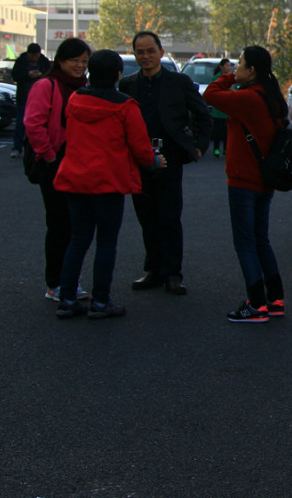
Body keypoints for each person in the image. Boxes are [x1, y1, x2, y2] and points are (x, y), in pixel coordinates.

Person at [52, 50, 162, 319]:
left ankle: (66, 298)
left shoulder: (76, 99)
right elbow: (141, 147)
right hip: (108, 181)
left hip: (75, 177)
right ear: (118, 75)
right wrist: (155, 162)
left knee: (78, 239)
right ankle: (101, 301)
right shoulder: (126, 106)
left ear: (90, 72)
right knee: (106, 241)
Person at [119, 31, 212, 296]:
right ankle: (153, 269)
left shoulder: (179, 81)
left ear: (161, 52)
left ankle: (173, 273)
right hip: (140, 158)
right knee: (146, 216)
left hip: (170, 156)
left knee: (169, 216)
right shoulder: (128, 85)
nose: (145, 56)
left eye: (150, 51)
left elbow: (202, 114)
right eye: (140, 52)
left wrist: (199, 145)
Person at [205, 45, 288, 322]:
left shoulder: (249, 97)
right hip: (265, 180)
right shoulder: (271, 95)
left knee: (245, 242)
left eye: (239, 64)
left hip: (244, 179)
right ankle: (275, 299)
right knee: (260, 240)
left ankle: (255, 304)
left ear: (251, 70)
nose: (234, 68)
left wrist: (226, 76)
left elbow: (210, 95)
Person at [24, 37, 90, 301]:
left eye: (84, 61)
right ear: (61, 60)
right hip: (53, 162)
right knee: (60, 223)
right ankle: (56, 283)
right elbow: (33, 123)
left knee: (77, 225)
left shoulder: (83, 87)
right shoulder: (46, 85)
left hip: (78, 162)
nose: (80, 66)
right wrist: (50, 155)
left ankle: (70, 280)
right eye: (75, 60)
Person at [10, 43, 51, 156]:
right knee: (20, 123)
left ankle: (37, 148)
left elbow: (50, 74)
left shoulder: (44, 61)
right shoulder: (21, 61)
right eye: (32, 56)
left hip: (40, 98)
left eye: (36, 56)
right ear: (28, 54)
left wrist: (41, 74)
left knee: (40, 124)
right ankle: (17, 147)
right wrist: (28, 75)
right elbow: (15, 75)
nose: (34, 58)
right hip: (24, 97)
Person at [209, 57, 232, 158]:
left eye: (229, 65)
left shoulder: (232, 78)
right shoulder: (216, 78)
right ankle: (216, 149)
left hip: (228, 110)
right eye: (226, 65)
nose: (229, 67)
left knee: (227, 132)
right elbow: (213, 92)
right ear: (221, 67)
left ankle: (226, 150)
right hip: (218, 110)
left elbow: (235, 91)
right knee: (217, 131)